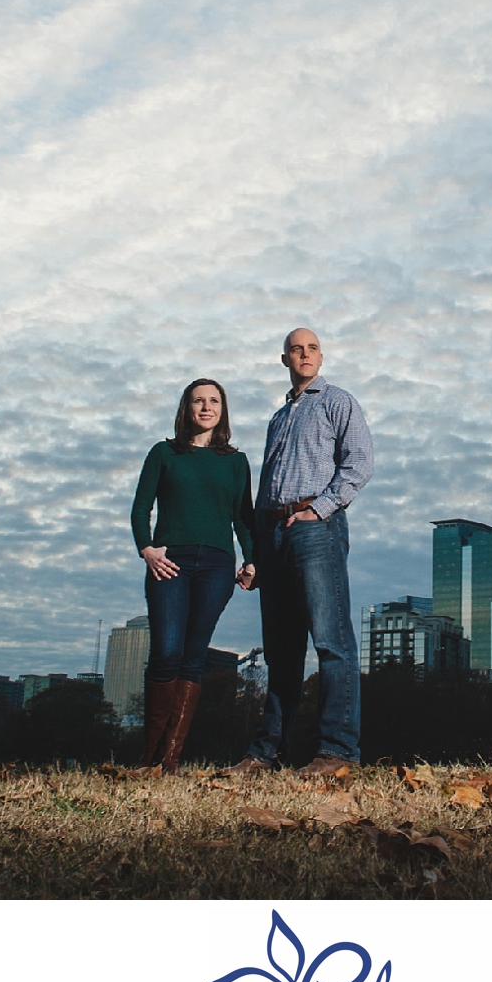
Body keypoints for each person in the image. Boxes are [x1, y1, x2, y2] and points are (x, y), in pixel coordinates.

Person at [226, 328, 372, 777]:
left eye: (312, 349)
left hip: (315, 529)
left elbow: (359, 463)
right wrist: (256, 557)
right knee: (280, 651)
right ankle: (267, 753)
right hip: (273, 534)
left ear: (321, 357)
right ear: (284, 358)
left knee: (331, 641)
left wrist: (320, 509)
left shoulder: (338, 401)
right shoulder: (278, 418)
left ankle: (338, 752)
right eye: (296, 349)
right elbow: (266, 487)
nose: (304, 355)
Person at [130, 378, 256, 774]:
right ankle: (148, 757)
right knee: (166, 651)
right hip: (171, 562)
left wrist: (252, 559)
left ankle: (169, 762)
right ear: (186, 408)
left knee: (194, 658)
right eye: (198, 400)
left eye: (214, 401)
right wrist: (147, 548)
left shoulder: (236, 462)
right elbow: (140, 508)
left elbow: (244, 517)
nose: (206, 407)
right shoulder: (164, 453)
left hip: (217, 566)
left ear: (223, 410)